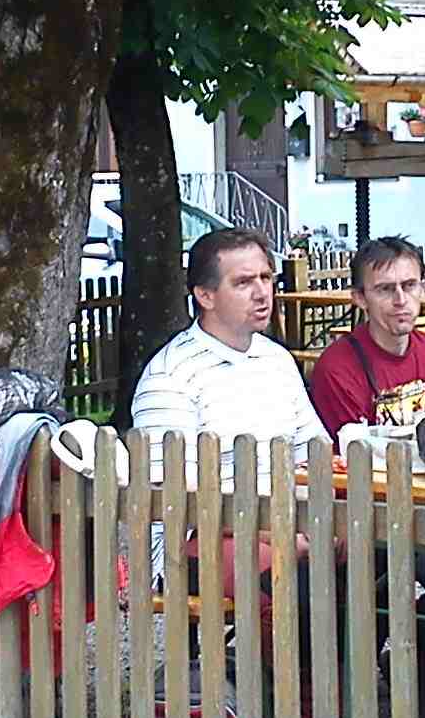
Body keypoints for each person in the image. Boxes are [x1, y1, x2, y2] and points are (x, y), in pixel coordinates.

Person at [130, 229, 329, 584]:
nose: (262, 292)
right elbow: (175, 500)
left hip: (285, 524)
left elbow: (314, 455)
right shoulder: (170, 376)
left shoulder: (277, 360)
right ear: (205, 296)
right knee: (296, 582)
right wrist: (277, 532)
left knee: (378, 560)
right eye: (243, 282)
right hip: (195, 544)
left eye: (266, 277)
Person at [306, 235, 425, 435]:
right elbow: (351, 450)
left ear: (423, 287)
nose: (400, 300)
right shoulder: (336, 371)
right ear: (360, 298)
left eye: (409, 285)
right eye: (385, 289)